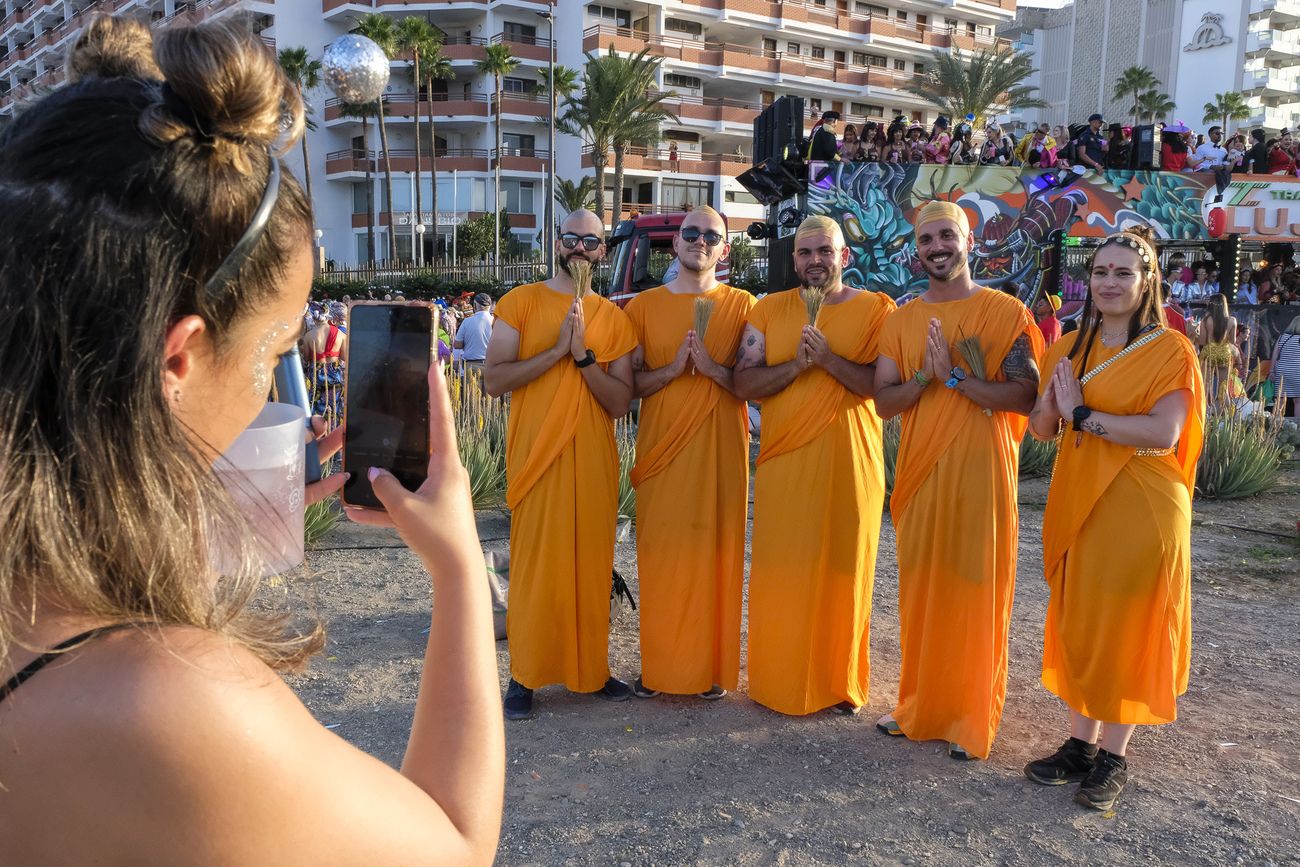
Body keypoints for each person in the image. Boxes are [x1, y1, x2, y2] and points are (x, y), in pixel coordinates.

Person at [0, 15, 504, 863]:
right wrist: (457, 569)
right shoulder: (168, 704)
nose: (276, 388)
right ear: (180, 355)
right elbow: (453, 842)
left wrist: (169, 541)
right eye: (275, 351)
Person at [1025, 227, 1205, 812]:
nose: (1108, 283)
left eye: (1123, 272)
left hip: (1143, 508)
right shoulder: (1071, 345)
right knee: (1085, 619)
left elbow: (1162, 432)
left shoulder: (1169, 349)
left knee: (1128, 625)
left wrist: (1081, 412)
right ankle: (1079, 746)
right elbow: (1041, 428)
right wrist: (1055, 407)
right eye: (1100, 272)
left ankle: (1113, 757)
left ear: (1147, 279)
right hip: (1081, 499)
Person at [873, 201, 1043, 760]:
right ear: (916, 249)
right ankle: (919, 707)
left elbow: (1023, 396)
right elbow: (884, 401)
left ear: (969, 240)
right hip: (923, 473)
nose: (937, 247)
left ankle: (972, 718)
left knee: (976, 591)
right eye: (927, 240)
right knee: (922, 590)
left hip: (982, 472)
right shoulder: (900, 321)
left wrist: (958, 378)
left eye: (947, 235)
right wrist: (926, 375)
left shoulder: (1004, 311)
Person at [734, 215, 895, 716]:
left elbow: (881, 389)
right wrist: (796, 367)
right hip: (786, 461)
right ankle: (776, 680)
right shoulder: (768, 311)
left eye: (825, 251)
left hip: (852, 460)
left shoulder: (877, 311)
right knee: (784, 571)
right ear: (794, 259)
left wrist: (827, 361)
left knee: (846, 568)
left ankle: (839, 680)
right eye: (805, 253)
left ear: (843, 256)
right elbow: (743, 385)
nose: (815, 261)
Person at [484, 209, 637, 720]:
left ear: (602, 251)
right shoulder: (520, 303)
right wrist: (555, 352)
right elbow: (494, 379)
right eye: (571, 239)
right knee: (536, 567)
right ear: (557, 242)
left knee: (590, 566)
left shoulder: (615, 320)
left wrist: (583, 358)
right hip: (537, 456)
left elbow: (619, 402)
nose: (579, 249)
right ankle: (524, 676)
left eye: (590, 242)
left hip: (592, 456)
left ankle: (591, 671)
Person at [624, 207, 754, 701]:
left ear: (725, 249)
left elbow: (753, 381)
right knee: (663, 556)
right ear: (675, 244)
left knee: (716, 554)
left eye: (712, 235)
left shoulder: (744, 306)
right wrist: (674, 370)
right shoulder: (641, 308)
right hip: (663, 452)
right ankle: (662, 669)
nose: (700, 241)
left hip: (721, 449)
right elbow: (628, 385)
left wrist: (716, 371)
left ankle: (711, 671)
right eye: (691, 233)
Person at [454, 292, 495, 372]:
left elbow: (457, 345)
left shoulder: (466, 322)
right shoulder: (496, 321)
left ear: (475, 306)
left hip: (472, 365)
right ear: (489, 306)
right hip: (492, 365)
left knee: (470, 385)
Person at [1270, 315, 1300, 416]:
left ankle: (1275, 427)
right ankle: (1297, 427)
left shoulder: (1282, 337)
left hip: (1282, 372)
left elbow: (1274, 355)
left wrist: (1271, 371)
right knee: (1298, 401)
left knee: (1280, 400)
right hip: (1297, 372)